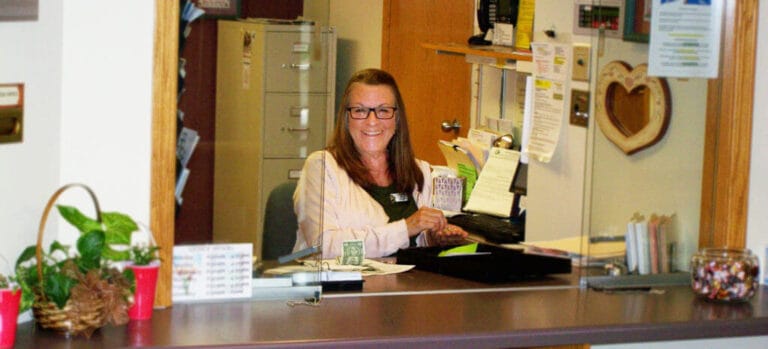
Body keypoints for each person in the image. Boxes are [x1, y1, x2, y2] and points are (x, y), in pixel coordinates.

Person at [292, 68, 468, 258]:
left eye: (383, 110)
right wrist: (406, 228)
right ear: (346, 118)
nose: (372, 121)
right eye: (360, 111)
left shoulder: (419, 171)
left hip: (405, 284)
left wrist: (434, 238)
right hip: (341, 285)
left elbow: (415, 243)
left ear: (397, 118)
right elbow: (324, 248)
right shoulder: (321, 167)